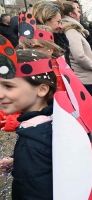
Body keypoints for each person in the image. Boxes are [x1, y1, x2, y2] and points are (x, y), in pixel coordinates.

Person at [0, 43, 57, 199]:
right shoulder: (53, 119)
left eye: (8, 86)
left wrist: (25, 158)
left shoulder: (30, 145)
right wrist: (17, 161)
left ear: (42, 89)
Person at [62, 1, 92, 96]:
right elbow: (79, 55)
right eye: (78, 12)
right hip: (82, 78)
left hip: (83, 77)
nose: (80, 14)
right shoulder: (71, 31)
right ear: (71, 14)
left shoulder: (75, 30)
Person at [32, 1, 72, 67]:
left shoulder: (58, 37)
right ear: (45, 20)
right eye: (58, 22)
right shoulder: (37, 43)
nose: (61, 26)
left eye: (61, 22)